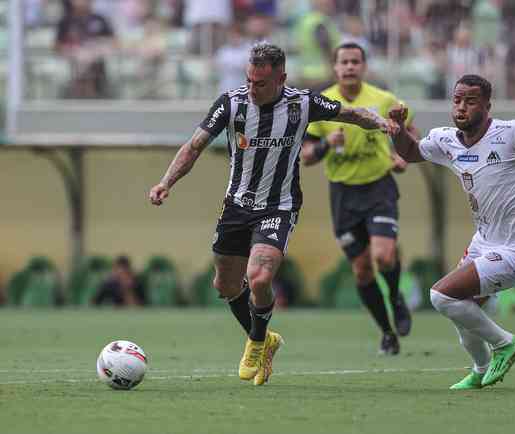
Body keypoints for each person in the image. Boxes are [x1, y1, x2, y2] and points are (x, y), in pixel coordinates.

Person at [148, 43, 397, 386]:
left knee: (260, 277)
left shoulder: (302, 103)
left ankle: (254, 342)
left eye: (261, 83)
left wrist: (380, 122)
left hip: (278, 206)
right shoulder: (231, 104)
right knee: (225, 284)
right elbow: (194, 147)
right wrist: (166, 182)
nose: (253, 88)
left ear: (281, 78)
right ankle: (267, 340)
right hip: (236, 206)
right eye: (249, 80)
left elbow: (350, 114)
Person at [388, 74, 515, 389]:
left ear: (487, 106)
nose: (462, 107)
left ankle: (505, 344)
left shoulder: (514, 133)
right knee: (462, 314)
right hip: (484, 243)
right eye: (457, 100)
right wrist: (397, 131)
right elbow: (409, 153)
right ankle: (480, 370)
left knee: (440, 295)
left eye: (471, 101)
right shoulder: (445, 139)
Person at [302, 42, 415, 355]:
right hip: (343, 196)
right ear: (335, 68)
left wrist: (402, 155)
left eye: (355, 61)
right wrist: (326, 143)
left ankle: (395, 297)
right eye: (344, 62)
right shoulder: (323, 104)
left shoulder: (384, 100)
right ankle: (387, 332)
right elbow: (306, 156)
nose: (350, 67)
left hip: (379, 187)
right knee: (362, 270)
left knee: (384, 256)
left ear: (363, 67)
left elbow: (408, 130)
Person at [55, 0, 117, 98]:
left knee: (89, 59)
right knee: (82, 59)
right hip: (72, 60)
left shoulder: (100, 19)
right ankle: (79, 95)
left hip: (97, 59)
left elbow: (113, 42)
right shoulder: (66, 21)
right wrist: (73, 51)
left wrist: (96, 48)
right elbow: (57, 46)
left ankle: (92, 96)